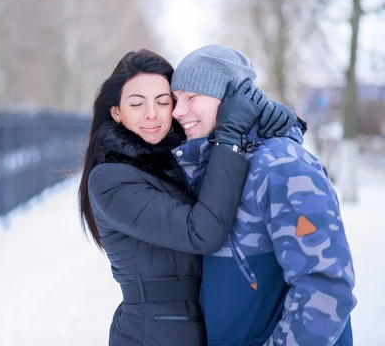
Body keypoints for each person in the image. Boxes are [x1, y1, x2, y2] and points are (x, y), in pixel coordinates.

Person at [78, 49, 296, 346]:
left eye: (163, 101)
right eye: (137, 104)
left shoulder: (179, 160)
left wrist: (266, 124)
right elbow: (202, 232)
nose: (152, 114)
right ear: (116, 112)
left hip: (206, 321)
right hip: (153, 332)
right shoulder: (110, 180)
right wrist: (230, 138)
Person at [169, 44, 356, 346]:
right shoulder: (213, 169)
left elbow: (325, 290)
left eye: (192, 97)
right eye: (176, 99)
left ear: (231, 98)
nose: (178, 111)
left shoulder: (283, 167)